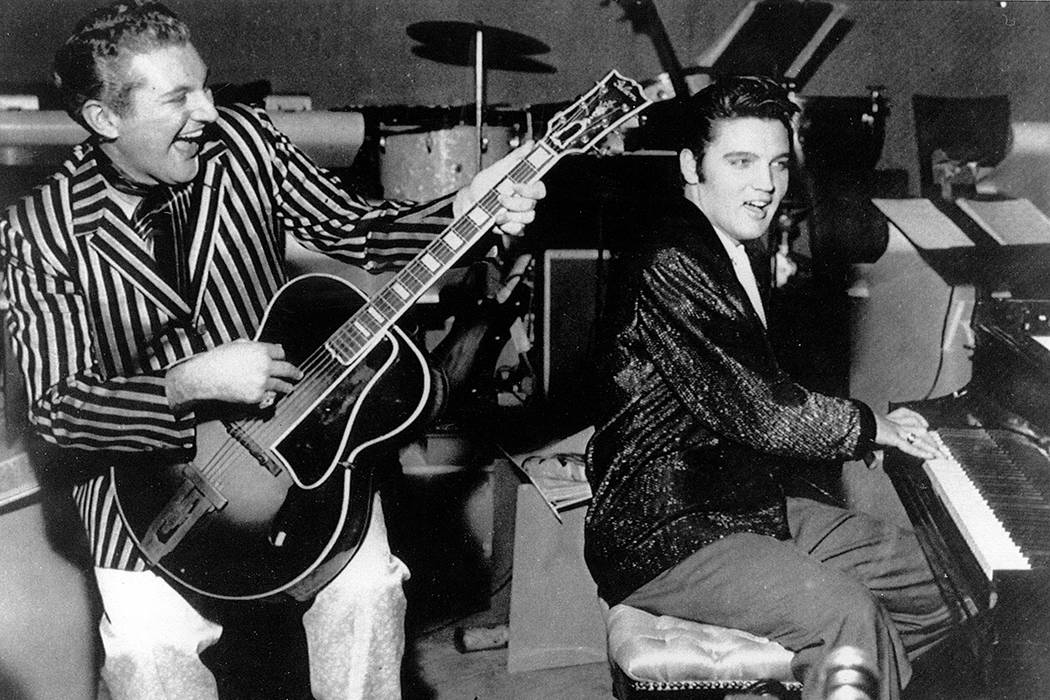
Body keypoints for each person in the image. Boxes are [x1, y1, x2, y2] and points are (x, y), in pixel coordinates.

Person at [0, 2, 544, 699]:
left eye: (204, 85)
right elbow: (57, 412)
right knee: (149, 655)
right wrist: (183, 383)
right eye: (177, 98)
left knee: (368, 595)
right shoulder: (40, 232)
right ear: (107, 120)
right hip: (142, 490)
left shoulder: (246, 143)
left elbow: (359, 232)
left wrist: (466, 204)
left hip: (302, 441)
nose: (207, 111)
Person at [582, 75, 954, 700]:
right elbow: (763, 412)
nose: (766, 186)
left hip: (745, 507)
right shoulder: (672, 255)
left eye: (778, 164)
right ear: (690, 167)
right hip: (665, 529)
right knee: (846, 617)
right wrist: (873, 427)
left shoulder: (732, 245)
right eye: (741, 162)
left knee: (947, 579)